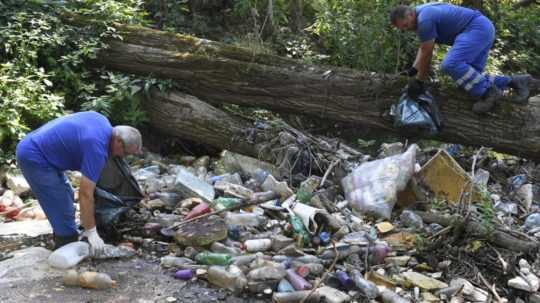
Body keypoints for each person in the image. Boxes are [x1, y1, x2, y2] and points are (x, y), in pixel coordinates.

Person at [16, 111, 142, 254]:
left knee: (67, 194)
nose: (122, 157)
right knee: (60, 204)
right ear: (118, 141)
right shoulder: (96, 147)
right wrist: (92, 232)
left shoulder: (102, 122)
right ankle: (65, 246)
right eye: (125, 153)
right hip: (34, 155)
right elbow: (85, 194)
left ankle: (64, 236)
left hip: (42, 147)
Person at [390, 3, 531, 114]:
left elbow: (427, 52)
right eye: (403, 29)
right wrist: (413, 70)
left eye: (406, 25)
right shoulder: (422, 11)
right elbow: (423, 48)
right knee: (470, 80)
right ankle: (516, 81)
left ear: (410, 14)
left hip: (475, 29)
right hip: (482, 27)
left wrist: (420, 81)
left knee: (450, 64)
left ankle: (489, 93)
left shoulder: (424, 20)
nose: (406, 29)